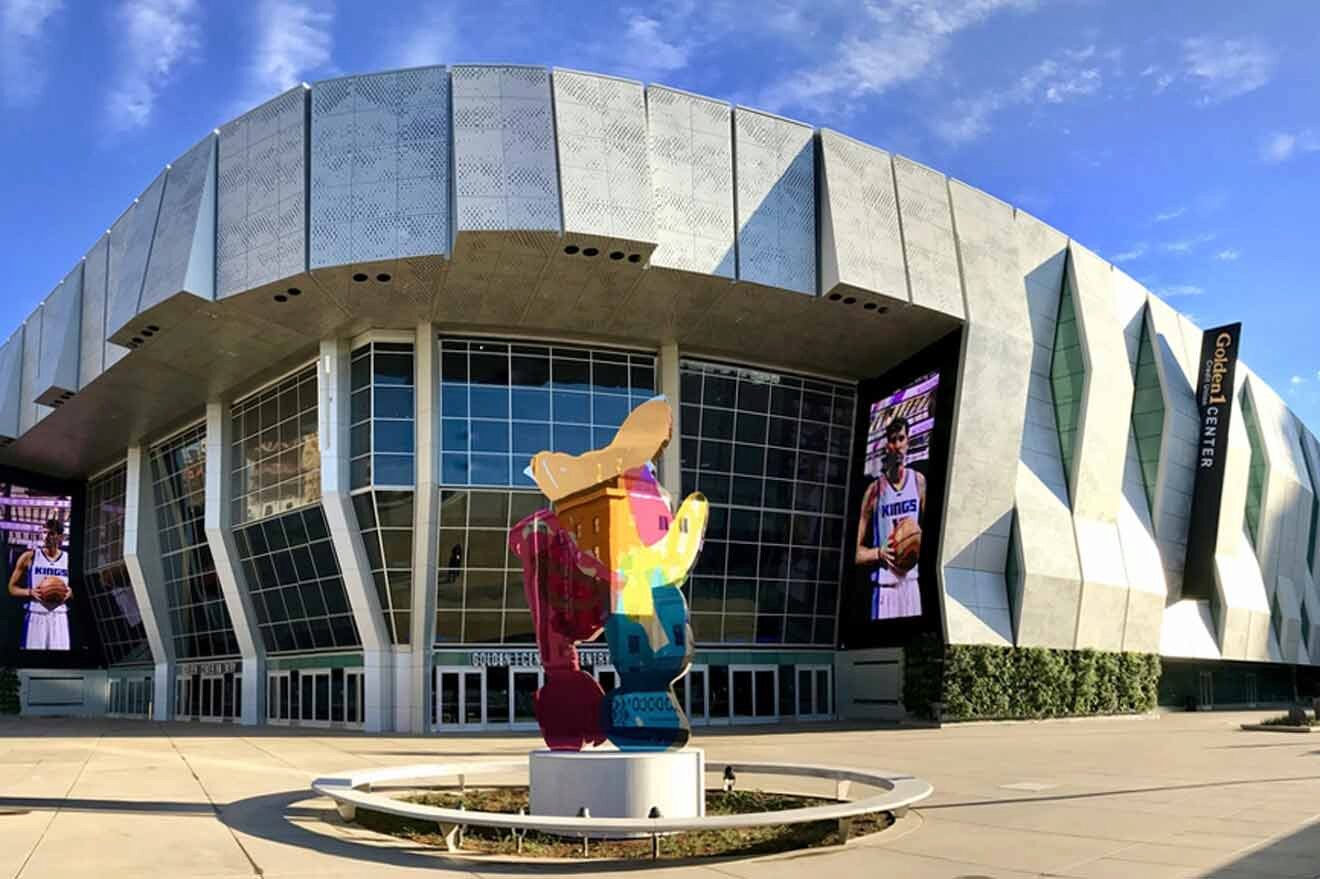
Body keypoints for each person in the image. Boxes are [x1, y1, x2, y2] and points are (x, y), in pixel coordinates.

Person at [855, 416, 925, 620]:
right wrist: (878, 553)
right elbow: (855, 552)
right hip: (886, 587)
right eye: (893, 440)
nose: (898, 445)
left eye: (902, 438)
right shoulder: (874, 490)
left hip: (912, 583)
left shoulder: (919, 482)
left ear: (908, 441)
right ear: (887, 446)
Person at [7, 518, 72, 650]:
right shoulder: (29, 556)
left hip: (59, 615)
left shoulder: (68, 559)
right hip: (36, 613)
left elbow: (77, 589)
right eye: (44, 532)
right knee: (32, 661)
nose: (46, 537)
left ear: (60, 537)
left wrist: (71, 592)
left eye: (51, 533)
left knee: (59, 662)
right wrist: (30, 592)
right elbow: (11, 588)